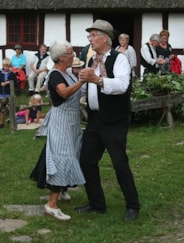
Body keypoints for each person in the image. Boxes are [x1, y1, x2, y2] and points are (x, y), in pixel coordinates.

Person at [77, 19, 140, 221]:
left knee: (119, 163)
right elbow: (89, 88)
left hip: (114, 119)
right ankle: (97, 204)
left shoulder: (119, 58)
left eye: (94, 35)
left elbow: (122, 85)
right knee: (86, 161)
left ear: (105, 38)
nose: (90, 39)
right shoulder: (91, 61)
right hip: (95, 118)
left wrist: (98, 80)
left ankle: (132, 206)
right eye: (90, 35)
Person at [30, 40, 85, 221]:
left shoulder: (67, 73)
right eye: (70, 53)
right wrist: (82, 81)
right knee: (60, 159)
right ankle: (51, 205)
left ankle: (60, 193)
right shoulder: (55, 75)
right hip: (61, 123)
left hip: (71, 123)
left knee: (70, 156)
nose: (73, 56)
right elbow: (64, 93)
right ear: (61, 57)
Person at [0, 58, 18, 129]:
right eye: (5, 66)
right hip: (1, 94)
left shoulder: (12, 74)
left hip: (9, 94)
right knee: (1, 109)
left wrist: (9, 82)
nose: (6, 68)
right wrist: (1, 84)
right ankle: (1, 123)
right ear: (3, 66)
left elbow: (16, 83)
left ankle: (11, 120)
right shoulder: (0, 74)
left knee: (10, 108)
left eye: (8, 66)